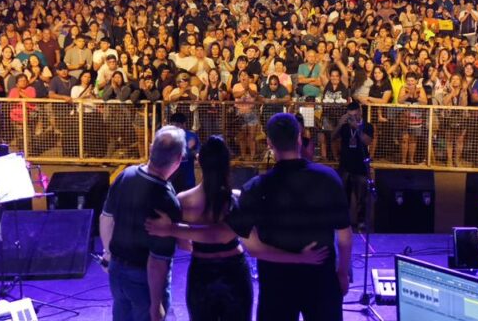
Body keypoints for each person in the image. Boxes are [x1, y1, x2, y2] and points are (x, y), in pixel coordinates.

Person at [144, 135, 327, 321]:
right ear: (228, 163)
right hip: (233, 272)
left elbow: (186, 244)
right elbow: (254, 248)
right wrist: (300, 257)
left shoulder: (183, 201)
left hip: (201, 273)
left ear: (199, 160)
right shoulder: (236, 199)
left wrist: (173, 230)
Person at [205, 113, 352, 321]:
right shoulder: (328, 178)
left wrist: (297, 258)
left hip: (276, 284)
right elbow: (344, 235)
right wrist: (342, 272)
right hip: (322, 279)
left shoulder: (255, 188)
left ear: (269, 143)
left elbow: (254, 249)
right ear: (299, 137)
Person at [99, 126, 187, 321]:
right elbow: (157, 261)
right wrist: (156, 305)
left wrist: (109, 253)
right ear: (179, 159)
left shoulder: (126, 175)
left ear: (150, 148)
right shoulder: (166, 200)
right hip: (144, 278)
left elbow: (106, 218)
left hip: (117, 270)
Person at [333, 102, 373, 231]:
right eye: (350, 116)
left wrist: (357, 127)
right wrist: (340, 124)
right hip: (345, 166)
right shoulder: (345, 126)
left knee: (362, 197)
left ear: (360, 112)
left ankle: (361, 221)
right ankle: (344, 222)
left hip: (360, 167)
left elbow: (368, 141)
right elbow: (333, 137)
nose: (352, 118)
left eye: (355, 115)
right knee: (343, 197)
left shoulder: (367, 126)